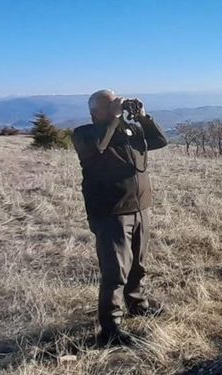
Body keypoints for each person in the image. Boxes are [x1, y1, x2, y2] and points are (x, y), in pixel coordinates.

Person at [72, 89, 168, 345]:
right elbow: (98, 146)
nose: (117, 105)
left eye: (117, 101)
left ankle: (138, 305)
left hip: (140, 207)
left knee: (138, 263)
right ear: (95, 112)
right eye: (111, 103)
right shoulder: (85, 134)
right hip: (111, 212)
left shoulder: (129, 130)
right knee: (115, 271)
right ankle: (110, 328)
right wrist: (114, 119)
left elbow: (159, 141)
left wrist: (143, 117)